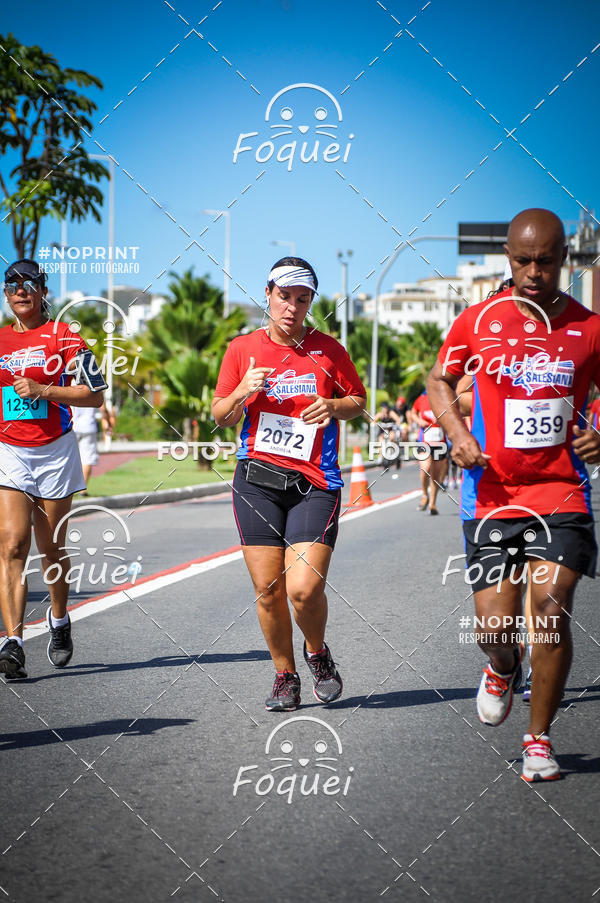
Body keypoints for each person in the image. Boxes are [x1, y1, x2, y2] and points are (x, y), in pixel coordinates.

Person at [427, 208, 600, 781]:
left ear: (564, 261)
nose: (533, 272)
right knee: (494, 630)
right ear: (508, 257)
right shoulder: (478, 322)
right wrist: (456, 435)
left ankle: (539, 740)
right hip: (494, 495)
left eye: (545, 262)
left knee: (551, 610)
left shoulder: (588, 328)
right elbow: (440, 379)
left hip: (561, 490)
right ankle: (503, 667)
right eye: (522, 261)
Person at [212, 257, 367, 712]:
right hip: (256, 481)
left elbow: (357, 400)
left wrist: (332, 406)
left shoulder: (328, 350)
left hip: (314, 482)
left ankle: (316, 652)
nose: (292, 307)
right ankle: (285, 675)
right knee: (268, 590)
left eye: (303, 299)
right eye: (285, 296)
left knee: (302, 588)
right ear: (268, 293)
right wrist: (242, 391)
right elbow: (220, 415)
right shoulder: (242, 349)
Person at [0, 260, 106, 679]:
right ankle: (12, 642)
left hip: (56, 452)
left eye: (29, 285)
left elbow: (95, 395)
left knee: (52, 549)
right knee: (11, 545)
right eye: (11, 285)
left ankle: (59, 621)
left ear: (43, 291)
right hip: (10, 451)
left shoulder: (67, 337)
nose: (20, 291)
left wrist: (44, 389)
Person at [411, 391, 448, 514]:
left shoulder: (443, 396)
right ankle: (424, 495)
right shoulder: (422, 398)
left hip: (439, 440)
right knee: (425, 469)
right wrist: (418, 421)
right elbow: (413, 412)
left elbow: (452, 413)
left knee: (435, 475)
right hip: (424, 439)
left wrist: (442, 419)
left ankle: (433, 503)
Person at [72, 401, 113, 493]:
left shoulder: (69, 386)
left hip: (72, 427)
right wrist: (108, 424)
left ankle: (69, 489)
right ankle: (82, 491)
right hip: (89, 427)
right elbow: (103, 409)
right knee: (87, 459)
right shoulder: (94, 387)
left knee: (69, 459)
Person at [373, 401, 402, 473]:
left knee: (392, 437)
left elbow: (398, 420)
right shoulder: (380, 414)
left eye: (385, 408)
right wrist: (374, 424)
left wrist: (397, 424)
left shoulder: (391, 413)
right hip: (382, 431)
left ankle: (392, 452)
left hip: (390, 430)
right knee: (380, 440)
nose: (384, 409)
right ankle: (380, 457)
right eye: (383, 408)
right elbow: (373, 420)